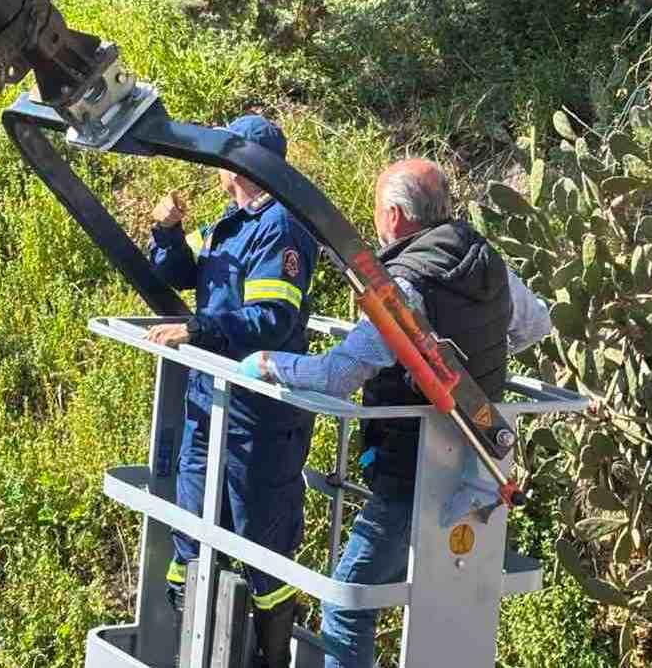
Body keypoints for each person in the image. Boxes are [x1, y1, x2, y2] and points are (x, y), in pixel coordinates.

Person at [239, 159, 551, 668]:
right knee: (448, 597)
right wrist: (483, 350)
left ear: (395, 216)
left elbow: (336, 376)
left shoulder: (405, 285)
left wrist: (270, 363)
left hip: (412, 470)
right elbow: (534, 325)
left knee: (347, 601)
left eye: (378, 210)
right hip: (472, 466)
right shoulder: (484, 260)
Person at [143, 114, 319, 668]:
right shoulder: (230, 223)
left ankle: (270, 657)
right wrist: (167, 231)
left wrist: (201, 329)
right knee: (192, 531)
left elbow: (271, 317)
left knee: (262, 544)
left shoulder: (281, 229)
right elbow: (180, 275)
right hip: (208, 405)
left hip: (258, 416)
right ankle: (195, 645)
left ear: (241, 164)